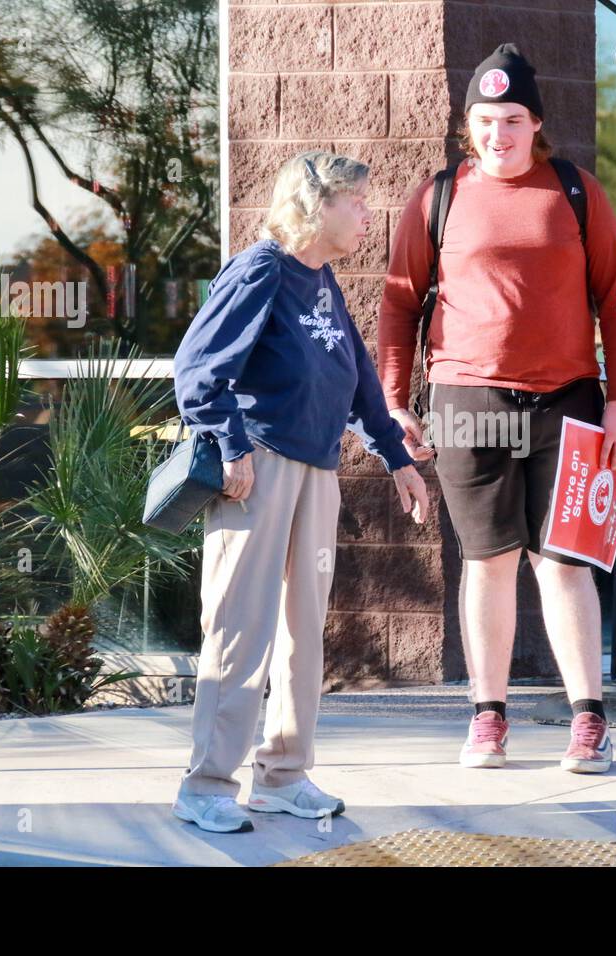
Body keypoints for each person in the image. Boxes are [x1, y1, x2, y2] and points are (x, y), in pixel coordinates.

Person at [378, 43, 616, 773]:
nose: (500, 133)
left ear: (537, 123)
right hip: (468, 398)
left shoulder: (577, 191)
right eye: (487, 120)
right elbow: (399, 303)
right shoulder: (439, 198)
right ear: (470, 125)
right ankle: (487, 717)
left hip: (570, 402)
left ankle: (588, 719)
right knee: (488, 562)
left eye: (514, 119)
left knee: (564, 565)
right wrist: (395, 401)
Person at [170, 151, 429, 833]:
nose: (368, 217)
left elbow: (357, 378)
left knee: (300, 635)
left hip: (316, 472)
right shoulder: (260, 270)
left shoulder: (323, 281)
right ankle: (206, 787)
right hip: (257, 470)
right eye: (358, 204)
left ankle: (283, 774)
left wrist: (395, 456)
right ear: (317, 207)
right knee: (238, 629)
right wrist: (232, 447)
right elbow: (197, 369)